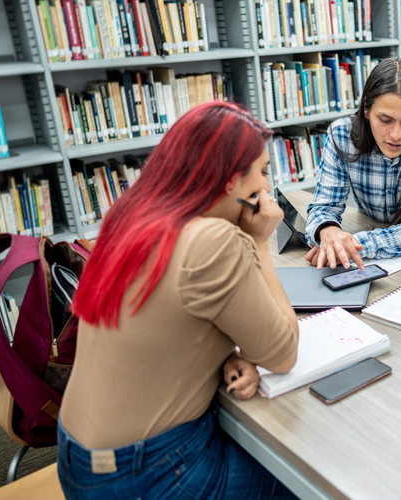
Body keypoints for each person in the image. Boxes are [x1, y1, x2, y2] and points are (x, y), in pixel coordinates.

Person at [59, 102, 300, 500]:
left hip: (78, 456)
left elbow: (168, 321)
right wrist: (259, 241)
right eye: (261, 172)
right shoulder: (216, 242)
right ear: (230, 182)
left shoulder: (133, 216)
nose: (265, 186)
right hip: (145, 472)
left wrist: (229, 355)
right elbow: (284, 352)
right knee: (309, 483)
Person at [304, 57, 401, 270]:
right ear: (367, 109)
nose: (396, 135)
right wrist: (327, 231)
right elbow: (324, 206)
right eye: (385, 120)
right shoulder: (341, 134)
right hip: (376, 246)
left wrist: (354, 245)